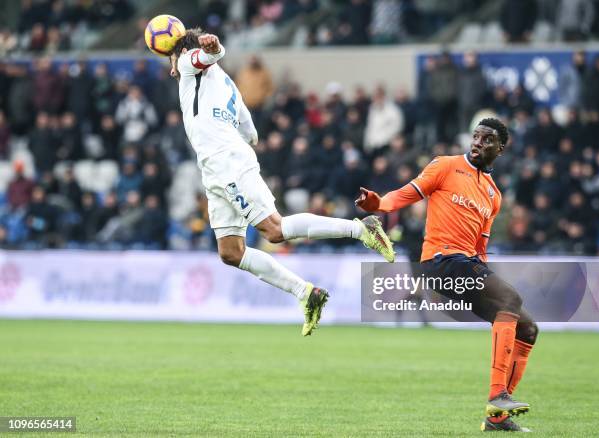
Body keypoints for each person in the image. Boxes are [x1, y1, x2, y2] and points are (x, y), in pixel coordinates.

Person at [168, 29, 395, 336]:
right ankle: (308, 294)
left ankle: (361, 229)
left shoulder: (188, 63)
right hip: (216, 168)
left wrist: (212, 47)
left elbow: (205, 55)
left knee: (274, 230)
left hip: (226, 162)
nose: (171, 66)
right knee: (230, 252)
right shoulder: (225, 83)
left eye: (171, 57)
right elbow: (249, 129)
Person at [356, 118, 538, 432]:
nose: (479, 142)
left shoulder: (494, 196)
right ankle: (499, 394)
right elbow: (407, 193)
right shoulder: (445, 166)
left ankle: (496, 418)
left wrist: (483, 278)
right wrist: (380, 204)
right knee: (511, 298)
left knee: (528, 328)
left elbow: (480, 246)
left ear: (501, 148)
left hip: (466, 265)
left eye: (487, 139)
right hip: (440, 260)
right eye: (476, 136)